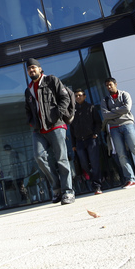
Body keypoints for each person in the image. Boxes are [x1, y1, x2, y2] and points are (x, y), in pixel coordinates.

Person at [23, 58, 75, 205]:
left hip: (56, 126)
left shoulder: (51, 80)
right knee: (39, 157)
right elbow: (27, 110)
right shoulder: (28, 90)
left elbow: (64, 97)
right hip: (38, 129)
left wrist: (57, 114)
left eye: (33, 67)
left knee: (61, 159)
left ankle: (68, 192)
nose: (31, 70)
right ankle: (57, 188)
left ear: (40, 69)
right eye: (29, 69)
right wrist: (31, 122)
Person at [70, 89, 104, 195]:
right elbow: (71, 129)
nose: (78, 97)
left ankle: (97, 186)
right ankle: (94, 180)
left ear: (85, 96)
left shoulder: (91, 107)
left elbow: (98, 122)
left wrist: (95, 134)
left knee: (94, 163)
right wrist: (73, 144)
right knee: (84, 163)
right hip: (79, 141)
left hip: (90, 139)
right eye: (76, 96)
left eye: (80, 95)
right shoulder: (73, 111)